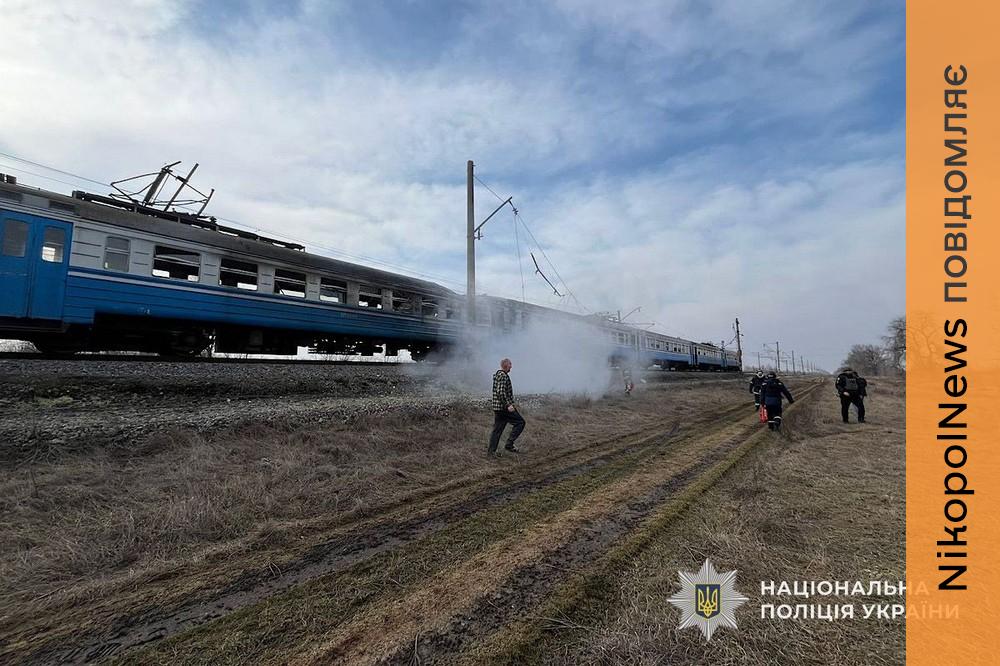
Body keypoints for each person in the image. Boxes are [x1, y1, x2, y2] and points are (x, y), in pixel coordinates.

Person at [488, 358, 526, 456]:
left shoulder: (499, 375)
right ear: (505, 365)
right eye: (510, 364)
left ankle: (491, 453)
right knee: (520, 422)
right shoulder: (503, 376)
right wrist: (508, 405)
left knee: (497, 430)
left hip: (498, 408)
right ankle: (509, 444)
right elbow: (501, 392)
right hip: (503, 408)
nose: (511, 366)